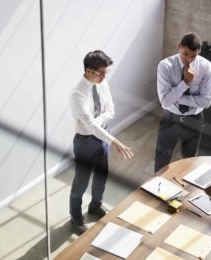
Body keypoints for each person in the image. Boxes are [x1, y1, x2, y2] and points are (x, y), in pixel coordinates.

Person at [69, 50, 134, 234]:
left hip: (103, 135)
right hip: (85, 143)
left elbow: (110, 110)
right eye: (101, 73)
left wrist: (95, 124)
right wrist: (113, 141)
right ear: (89, 71)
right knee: (80, 183)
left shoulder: (102, 83)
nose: (105, 77)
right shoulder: (77, 94)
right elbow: (88, 126)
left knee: (101, 176)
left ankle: (95, 207)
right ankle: (76, 217)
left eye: (106, 72)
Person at [154, 32, 211, 173]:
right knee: (161, 162)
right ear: (179, 46)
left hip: (194, 121)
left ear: (198, 52)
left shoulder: (207, 68)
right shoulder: (165, 66)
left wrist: (175, 96)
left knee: (189, 164)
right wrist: (186, 82)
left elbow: (206, 102)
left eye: (194, 56)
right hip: (170, 119)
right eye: (185, 54)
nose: (189, 59)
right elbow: (164, 101)